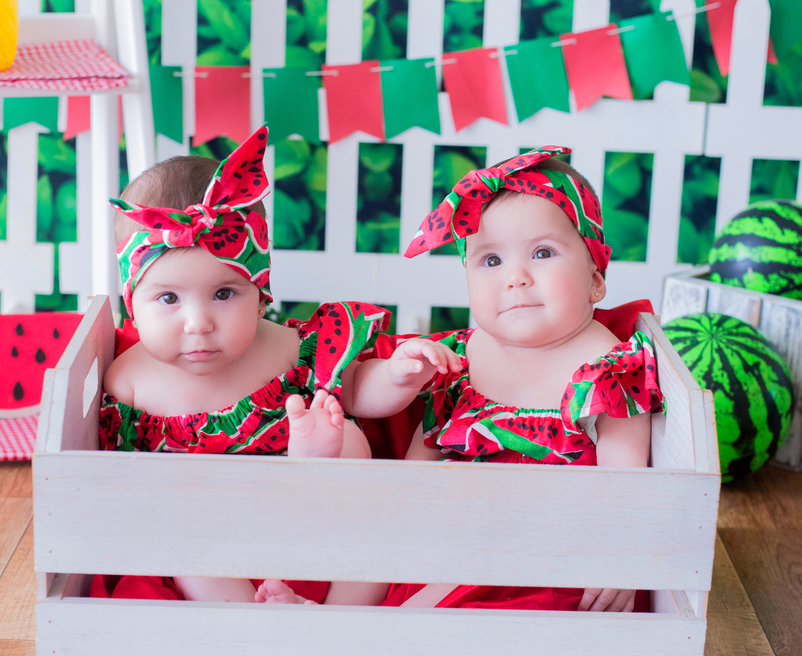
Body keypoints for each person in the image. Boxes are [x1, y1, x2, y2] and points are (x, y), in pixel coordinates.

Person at [91, 126, 458, 605]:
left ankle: (342, 617)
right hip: (214, 537)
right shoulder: (130, 383)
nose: (198, 322)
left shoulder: (287, 346)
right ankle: (249, 623)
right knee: (185, 548)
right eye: (168, 298)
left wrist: (397, 375)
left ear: (261, 291)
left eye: (224, 294)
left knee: (348, 444)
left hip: (312, 518)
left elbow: (355, 393)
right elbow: (123, 493)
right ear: (132, 302)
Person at [387, 145, 664, 612]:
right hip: (454, 539)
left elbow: (625, 477)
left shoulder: (607, 366)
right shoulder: (463, 359)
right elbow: (425, 450)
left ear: (596, 279)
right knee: (401, 593)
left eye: (542, 252)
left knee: (466, 615)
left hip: (549, 557)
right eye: (490, 261)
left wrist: (619, 554)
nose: (515, 277)